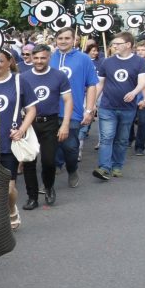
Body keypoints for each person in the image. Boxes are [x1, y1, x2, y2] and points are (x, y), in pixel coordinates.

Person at [0, 48, 37, 230]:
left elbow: (31, 110)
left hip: (8, 143)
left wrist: (21, 130)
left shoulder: (19, 81)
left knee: (8, 189)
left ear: (10, 62)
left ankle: (11, 208)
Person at [93, 32, 145, 181]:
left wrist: (134, 92)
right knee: (106, 138)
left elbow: (142, 82)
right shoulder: (107, 62)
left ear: (128, 45)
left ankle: (117, 166)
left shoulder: (140, 62)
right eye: (113, 44)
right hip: (107, 107)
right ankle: (104, 168)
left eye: (117, 43)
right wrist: (92, 103)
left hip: (128, 108)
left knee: (122, 139)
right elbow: (100, 84)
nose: (114, 46)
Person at [21, 44, 72, 208]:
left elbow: (68, 100)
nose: (39, 61)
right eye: (35, 58)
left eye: (43, 58)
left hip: (50, 122)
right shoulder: (23, 77)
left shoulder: (59, 76)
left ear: (49, 57)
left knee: (49, 161)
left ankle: (49, 187)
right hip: (29, 123)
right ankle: (32, 197)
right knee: (29, 161)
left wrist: (65, 124)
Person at [50, 28, 98, 188]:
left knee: (70, 146)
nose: (63, 41)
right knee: (51, 145)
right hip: (49, 110)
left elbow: (92, 85)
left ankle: (72, 169)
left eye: (67, 38)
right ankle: (55, 167)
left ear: (74, 40)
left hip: (73, 111)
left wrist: (89, 110)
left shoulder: (84, 59)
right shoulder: (48, 57)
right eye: (60, 38)